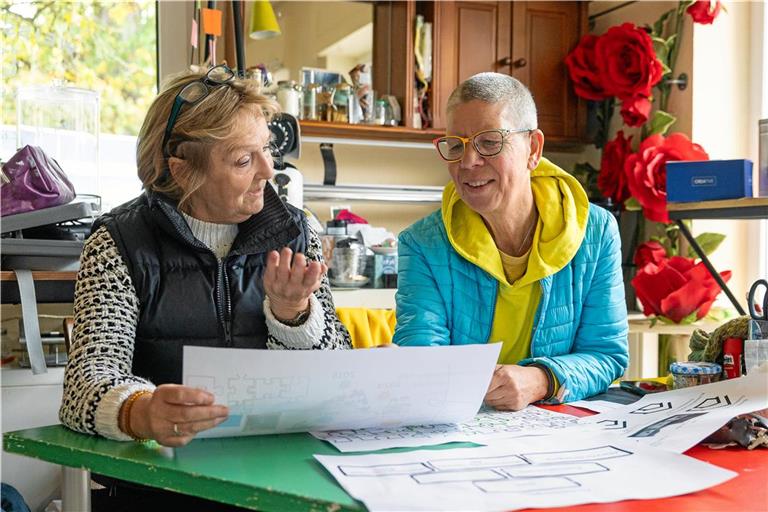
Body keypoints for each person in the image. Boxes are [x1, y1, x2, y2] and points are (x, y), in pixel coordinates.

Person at [60, 65, 351, 452]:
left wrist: (293, 314)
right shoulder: (118, 241)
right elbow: (85, 386)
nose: (269, 170)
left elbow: (338, 375)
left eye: (266, 148)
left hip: (277, 466)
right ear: (181, 171)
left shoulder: (297, 232)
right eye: (243, 161)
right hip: (161, 477)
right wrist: (142, 412)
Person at [393, 72, 628, 410]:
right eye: (456, 146)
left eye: (489, 142)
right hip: (461, 429)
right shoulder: (422, 244)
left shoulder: (596, 231)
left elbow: (606, 354)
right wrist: (401, 368)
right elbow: (423, 356)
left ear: (533, 149)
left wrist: (541, 379)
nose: (468, 162)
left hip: (558, 428)